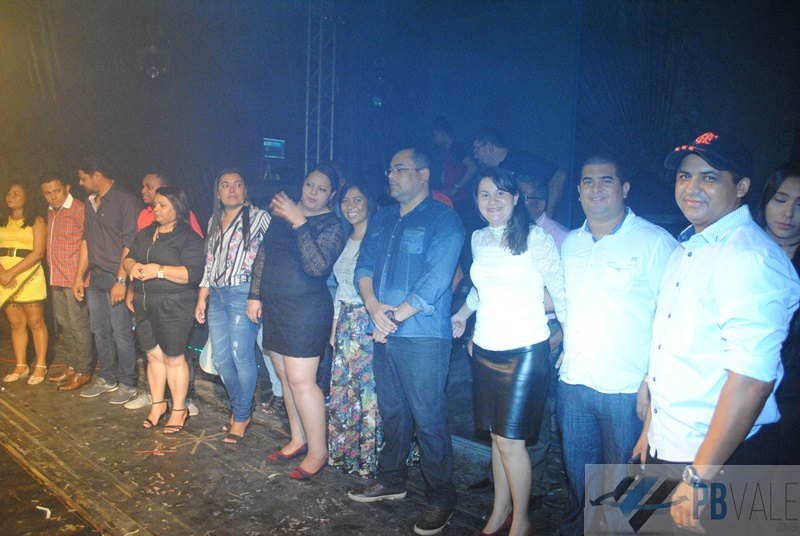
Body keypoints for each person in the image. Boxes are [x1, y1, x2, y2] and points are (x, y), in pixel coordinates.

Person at [636, 133, 800, 532]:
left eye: (709, 177)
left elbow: (751, 382)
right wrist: (651, 431)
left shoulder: (749, 258)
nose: (691, 187)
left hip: (720, 458)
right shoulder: (689, 247)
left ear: (741, 187)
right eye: (684, 176)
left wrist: (699, 477)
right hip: (673, 443)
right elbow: (677, 348)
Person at [558, 155, 677, 536]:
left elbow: (674, 318)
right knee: (581, 482)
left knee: (627, 488)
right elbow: (567, 304)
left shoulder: (654, 242)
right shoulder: (571, 243)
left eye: (606, 180)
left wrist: (652, 381)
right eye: (587, 181)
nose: (596, 188)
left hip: (627, 391)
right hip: (573, 383)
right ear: (578, 192)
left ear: (624, 189)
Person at [347, 148, 464, 536]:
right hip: (385, 331)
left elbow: (435, 281)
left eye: (400, 169)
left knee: (429, 419)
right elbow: (364, 265)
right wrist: (373, 306)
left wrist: (392, 317)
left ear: (424, 174)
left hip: (423, 337)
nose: (392, 176)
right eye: (390, 170)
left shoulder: (444, 219)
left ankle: (442, 497)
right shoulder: (382, 217)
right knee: (393, 412)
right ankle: (392, 480)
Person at [450, 169, 566, 536]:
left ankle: (522, 521)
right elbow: (480, 290)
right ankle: (499, 512)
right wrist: (462, 315)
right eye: (484, 194)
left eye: (501, 193)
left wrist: (568, 338)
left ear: (515, 198)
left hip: (524, 351)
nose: (493, 201)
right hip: (486, 349)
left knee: (512, 443)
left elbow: (561, 292)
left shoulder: (535, 238)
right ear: (476, 201)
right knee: (497, 439)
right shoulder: (478, 238)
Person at [247, 164, 345, 480]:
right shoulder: (282, 214)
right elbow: (264, 254)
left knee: (302, 381)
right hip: (275, 306)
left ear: (332, 194)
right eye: (309, 185)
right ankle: (298, 437)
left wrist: (299, 221)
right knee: (285, 377)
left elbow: (317, 267)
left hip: (306, 309)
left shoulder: (332, 225)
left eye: (321, 188)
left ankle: (318, 451)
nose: (313, 192)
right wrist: (255, 295)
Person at [195, 169, 270, 443]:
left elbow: (266, 258)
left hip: (243, 293)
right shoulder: (213, 220)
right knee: (221, 358)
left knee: (242, 356)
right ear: (218, 192)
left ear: (245, 189)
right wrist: (202, 297)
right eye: (225, 185)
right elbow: (210, 263)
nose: (232, 189)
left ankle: (240, 415)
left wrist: (256, 295)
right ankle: (241, 406)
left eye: (238, 184)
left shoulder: (260, 217)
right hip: (217, 294)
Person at [124, 186, 204, 433]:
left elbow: (193, 274)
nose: (155, 210)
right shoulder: (147, 233)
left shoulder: (188, 238)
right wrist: (132, 266)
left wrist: (158, 271)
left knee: (174, 358)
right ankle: (158, 405)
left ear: (177, 207)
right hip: (144, 303)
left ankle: (179, 409)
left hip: (174, 305)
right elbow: (128, 257)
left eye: (161, 205)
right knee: (152, 356)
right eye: (154, 205)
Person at [74, 157, 142, 403]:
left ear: (97, 175)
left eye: (83, 178)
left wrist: (121, 281)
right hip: (96, 276)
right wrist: (79, 276)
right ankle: (107, 377)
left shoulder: (125, 200)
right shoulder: (90, 202)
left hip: (116, 276)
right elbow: (86, 240)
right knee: (99, 330)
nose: (80, 183)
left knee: (121, 332)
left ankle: (128, 382)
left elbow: (130, 243)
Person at [327, 180, 381, 476]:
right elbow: (341, 288)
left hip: (368, 321)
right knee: (345, 390)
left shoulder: (378, 238)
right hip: (346, 320)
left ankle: (370, 456)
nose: (350, 206)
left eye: (357, 200)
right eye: (346, 201)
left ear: (369, 203)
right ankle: (349, 453)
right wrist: (335, 327)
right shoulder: (345, 240)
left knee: (368, 392)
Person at [756, 163, 800, 464]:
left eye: (799, 205)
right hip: (737, 391)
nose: (788, 213)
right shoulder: (741, 253)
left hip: (792, 397)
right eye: (780, 199)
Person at [40, 174, 93, 391]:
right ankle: (72, 366)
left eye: (57, 191)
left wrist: (79, 276)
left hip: (74, 279)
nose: (53, 197)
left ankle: (84, 370)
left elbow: (88, 243)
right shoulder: (51, 211)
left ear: (67, 188)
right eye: (48, 193)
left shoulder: (78, 209)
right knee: (65, 324)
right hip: (57, 277)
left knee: (79, 326)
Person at [0, 181, 48, 385]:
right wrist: (3, 273)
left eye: (16, 193)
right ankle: (21, 365)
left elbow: (38, 252)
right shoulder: (3, 220)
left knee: (35, 322)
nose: (10, 197)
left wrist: (11, 273)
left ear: (27, 196)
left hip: (28, 274)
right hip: (4, 277)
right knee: (16, 323)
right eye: (8, 193)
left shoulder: (36, 220)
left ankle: (41, 365)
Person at [472, 128, 566, 218]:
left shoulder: (521, 160)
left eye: (476, 149)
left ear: (489, 147)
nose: (475, 156)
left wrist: (548, 212)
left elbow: (559, 175)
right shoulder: (491, 172)